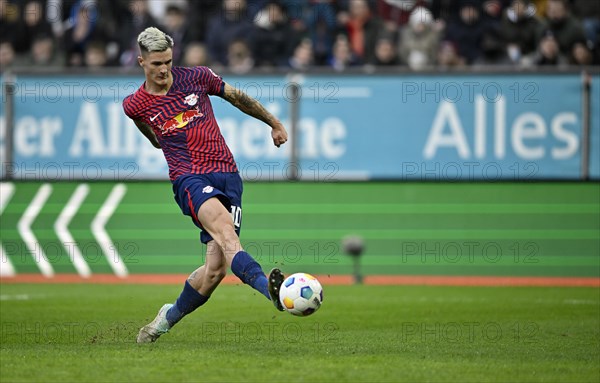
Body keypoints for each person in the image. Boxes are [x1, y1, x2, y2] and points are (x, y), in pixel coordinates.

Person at [122, 27, 288, 344]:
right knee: (226, 234)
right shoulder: (136, 104)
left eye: (168, 61)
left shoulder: (197, 77)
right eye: (156, 63)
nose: (163, 69)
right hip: (189, 178)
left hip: (228, 174)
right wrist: (165, 140)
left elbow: (236, 97)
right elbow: (152, 136)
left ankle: (163, 321)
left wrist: (274, 123)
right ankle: (271, 290)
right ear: (141, 61)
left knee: (214, 271)